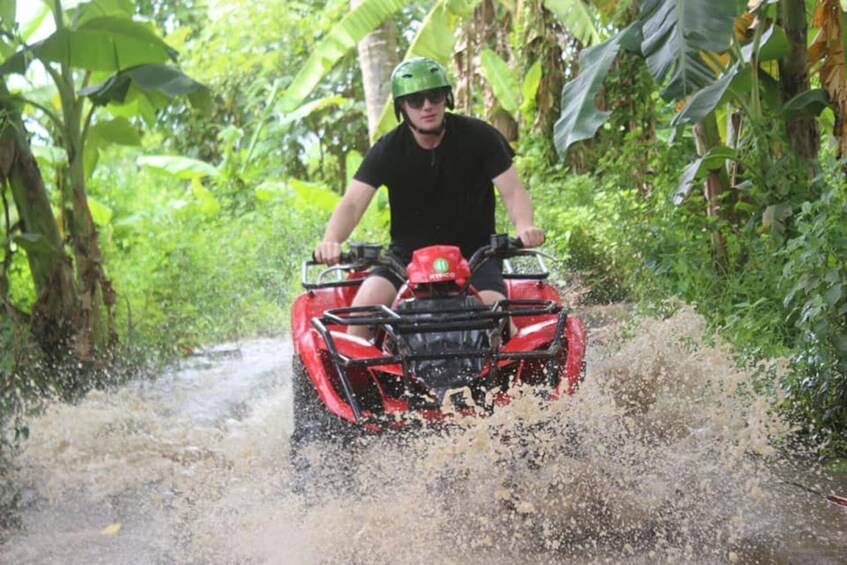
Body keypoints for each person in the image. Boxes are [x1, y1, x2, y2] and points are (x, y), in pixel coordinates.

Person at [314, 56, 544, 339]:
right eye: (415, 100)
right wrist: (331, 241)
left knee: (498, 319)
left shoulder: (481, 137)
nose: (427, 106)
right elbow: (351, 204)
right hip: (406, 258)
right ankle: (358, 381)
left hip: (476, 254)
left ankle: (519, 378)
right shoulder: (388, 149)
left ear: (446, 98)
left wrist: (524, 226)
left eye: (434, 96)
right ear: (401, 106)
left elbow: (513, 191)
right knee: (361, 314)